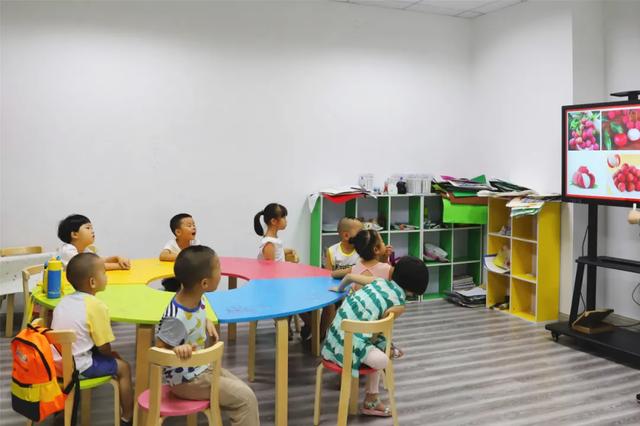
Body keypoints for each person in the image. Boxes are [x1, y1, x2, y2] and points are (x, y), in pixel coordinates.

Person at [156, 245, 260, 426]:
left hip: (202, 369)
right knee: (246, 399)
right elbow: (158, 350)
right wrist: (177, 349)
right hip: (186, 381)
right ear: (204, 283)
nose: (221, 272)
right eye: (218, 268)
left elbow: (194, 316)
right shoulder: (176, 318)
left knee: (244, 393)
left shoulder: (197, 297)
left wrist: (206, 321)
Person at [323, 256, 428, 417]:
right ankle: (371, 400)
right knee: (382, 359)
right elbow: (375, 333)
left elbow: (349, 277)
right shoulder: (398, 305)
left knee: (380, 345)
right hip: (347, 349)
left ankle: (389, 350)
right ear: (416, 288)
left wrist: (339, 289)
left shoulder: (379, 281)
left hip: (332, 339)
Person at [51, 253, 133, 426]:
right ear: (93, 282)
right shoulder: (96, 306)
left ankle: (62, 410)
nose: (107, 276)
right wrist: (111, 356)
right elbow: (104, 347)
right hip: (78, 367)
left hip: (55, 364)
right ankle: (128, 416)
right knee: (124, 367)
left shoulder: (63, 302)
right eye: (104, 272)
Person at [57, 214, 130, 270]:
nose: (92, 231)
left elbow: (99, 261)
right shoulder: (68, 250)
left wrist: (117, 258)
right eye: (88, 228)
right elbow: (92, 267)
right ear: (74, 234)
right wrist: (118, 266)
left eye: (92, 228)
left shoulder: (86, 250)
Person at [159, 213, 201, 291]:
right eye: (189, 226)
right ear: (178, 232)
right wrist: (184, 256)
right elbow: (163, 256)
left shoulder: (195, 242)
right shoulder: (172, 243)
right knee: (173, 284)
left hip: (189, 276)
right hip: (173, 278)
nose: (193, 227)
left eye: (194, 225)